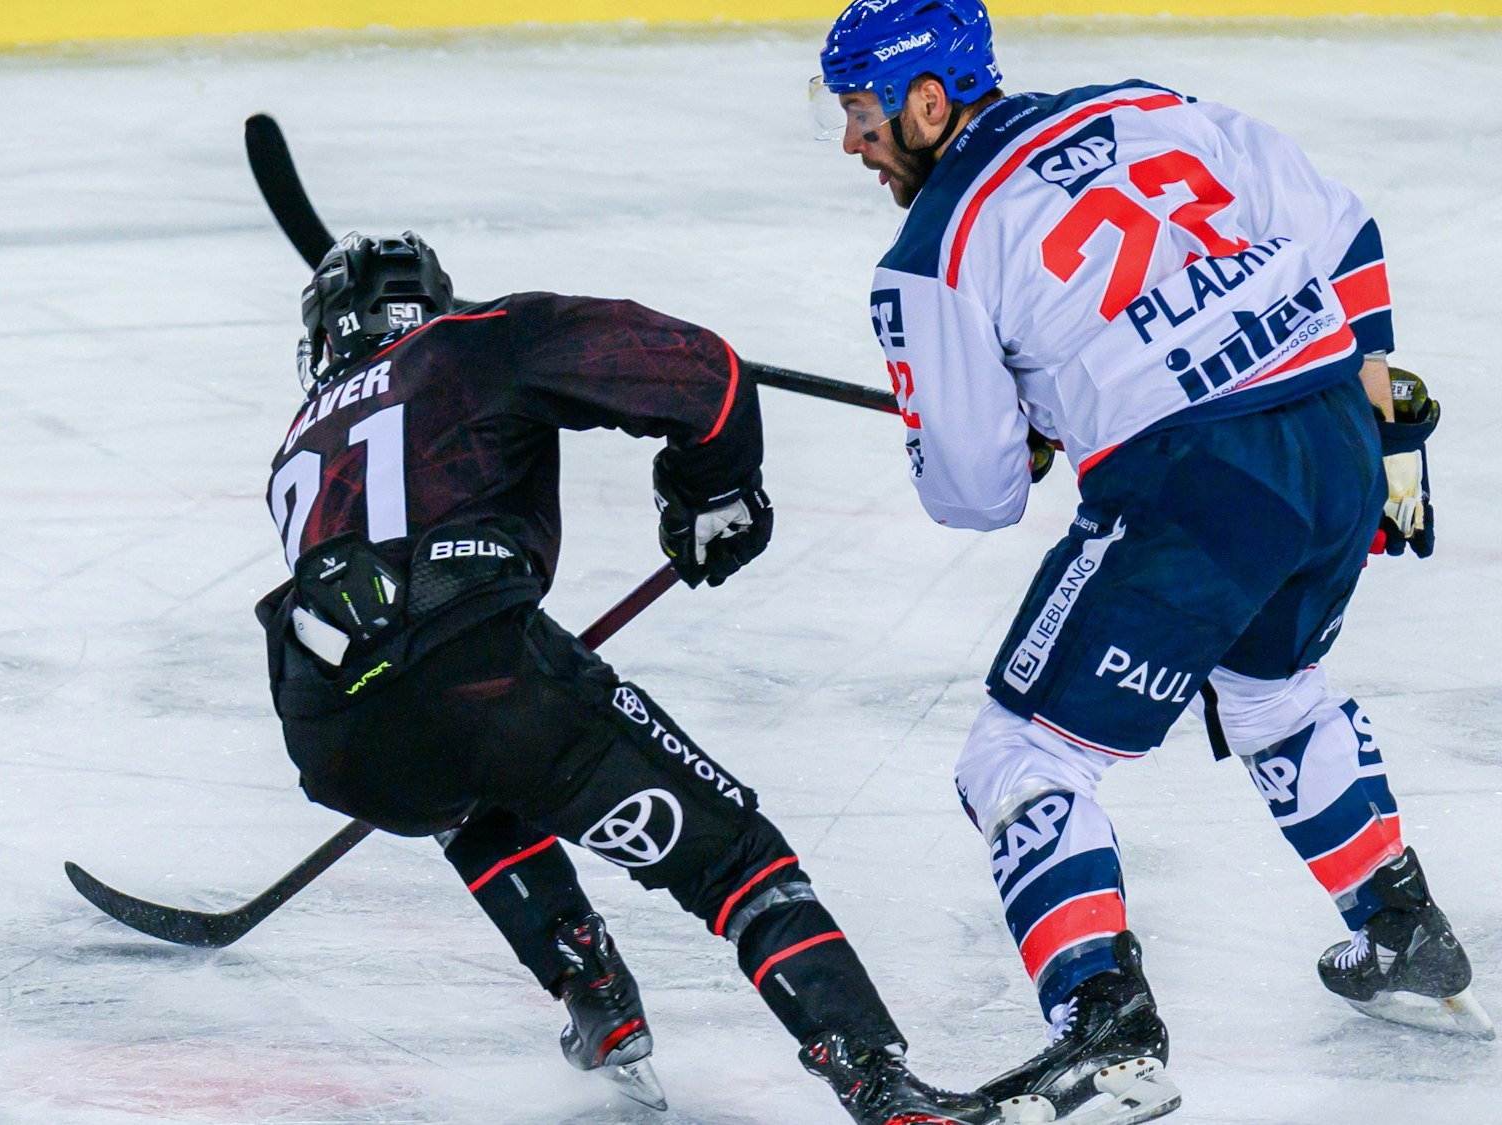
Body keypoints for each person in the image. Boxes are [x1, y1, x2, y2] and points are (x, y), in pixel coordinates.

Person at [812, 1, 1490, 1120]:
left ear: (928, 101)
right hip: (1330, 439)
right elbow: (1339, 224)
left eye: (860, 114)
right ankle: (1402, 927)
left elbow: (973, 492)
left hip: (1198, 481)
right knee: (1273, 689)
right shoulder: (1141, 107)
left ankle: (1105, 1024)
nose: (852, 144)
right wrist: (1380, 402)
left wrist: (1016, 429)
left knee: (1016, 756)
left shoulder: (930, 251)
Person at [258, 231, 996, 1125]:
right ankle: (881, 1085)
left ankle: (591, 989)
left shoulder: (299, 440)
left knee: (464, 778)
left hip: (336, 738)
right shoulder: (476, 339)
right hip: (483, 684)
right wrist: (712, 490)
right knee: (735, 858)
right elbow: (708, 374)